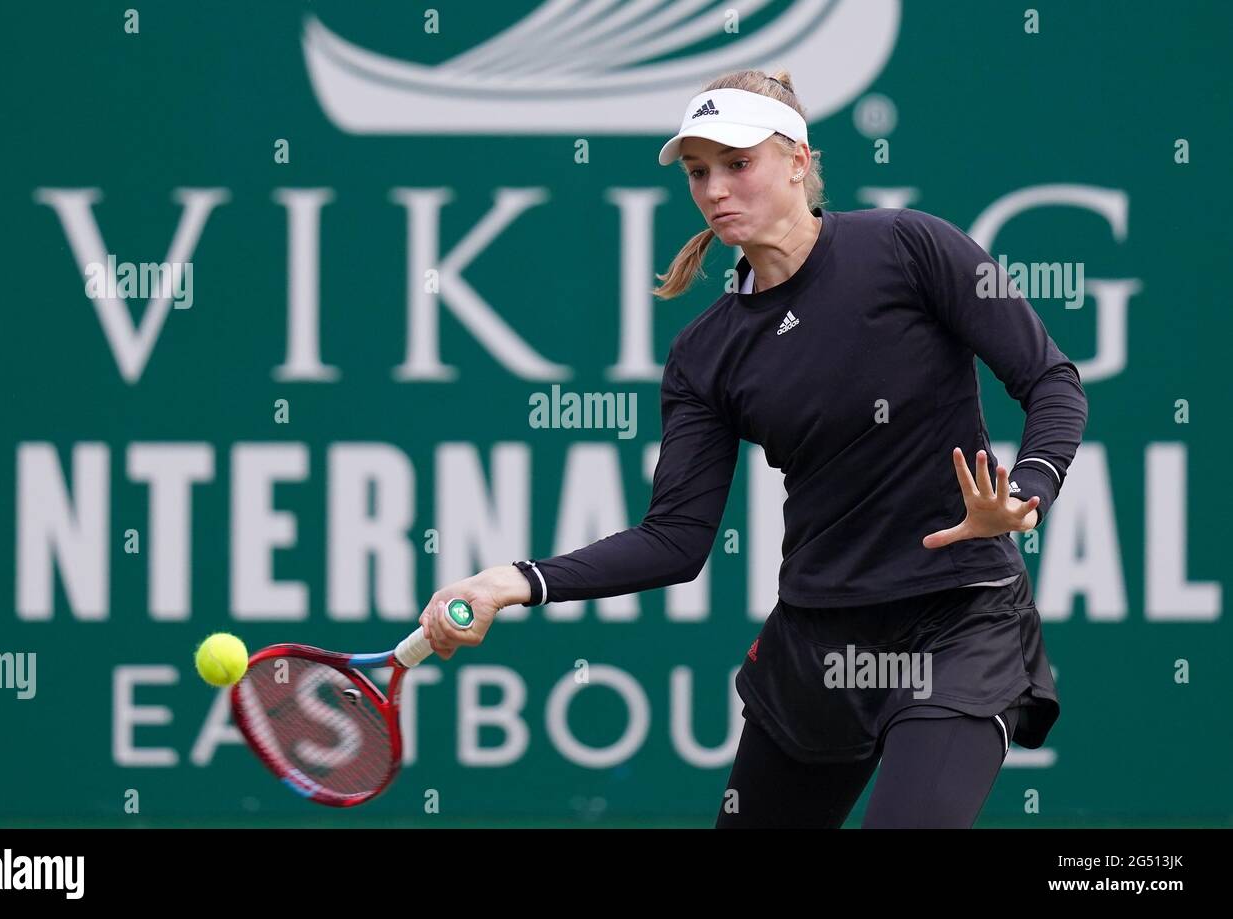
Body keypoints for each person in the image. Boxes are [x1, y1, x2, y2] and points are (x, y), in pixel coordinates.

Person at [417, 68, 1088, 828]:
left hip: (959, 623)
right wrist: (517, 579)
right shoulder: (706, 354)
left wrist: (1027, 492)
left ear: (798, 161)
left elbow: (1051, 380)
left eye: (738, 164)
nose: (714, 190)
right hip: (816, 646)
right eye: (700, 172)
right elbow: (673, 540)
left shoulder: (910, 247)